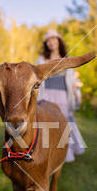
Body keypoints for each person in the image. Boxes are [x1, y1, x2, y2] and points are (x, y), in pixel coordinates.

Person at [36, 30, 85, 163]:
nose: (52, 42)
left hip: (62, 96)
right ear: (46, 43)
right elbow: (35, 77)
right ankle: (46, 153)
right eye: (49, 40)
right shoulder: (42, 59)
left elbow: (72, 82)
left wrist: (77, 96)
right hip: (45, 96)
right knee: (46, 124)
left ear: (59, 41)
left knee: (63, 125)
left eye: (54, 39)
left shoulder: (67, 59)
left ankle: (65, 154)